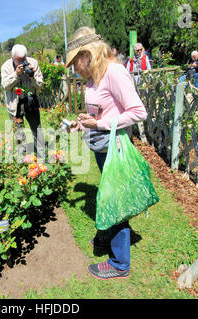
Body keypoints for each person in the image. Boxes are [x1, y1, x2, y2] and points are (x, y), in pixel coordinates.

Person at [66, 27, 148, 280]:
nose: (74, 69)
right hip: (102, 148)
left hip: (116, 148)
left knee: (116, 204)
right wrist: (82, 122)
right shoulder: (94, 79)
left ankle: (120, 264)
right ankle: (107, 238)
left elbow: (138, 112)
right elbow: (103, 113)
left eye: (75, 61)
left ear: (87, 54)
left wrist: (98, 124)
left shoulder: (114, 72)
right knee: (109, 198)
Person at [1, 44, 45, 158]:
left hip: (30, 101)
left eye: (23, 60)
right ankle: (21, 156)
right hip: (15, 104)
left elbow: (40, 85)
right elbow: (5, 86)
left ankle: (41, 154)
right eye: (18, 61)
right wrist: (16, 74)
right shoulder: (6, 66)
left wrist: (32, 76)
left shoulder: (33, 62)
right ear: (12, 58)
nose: (21, 63)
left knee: (37, 129)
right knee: (18, 132)